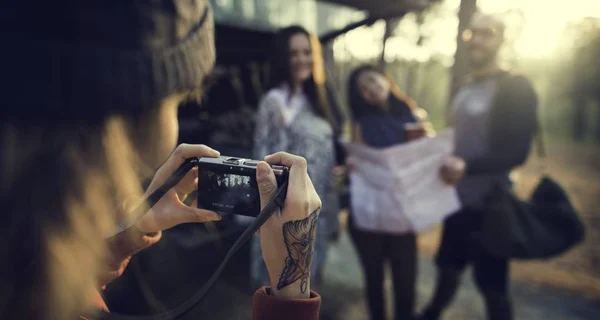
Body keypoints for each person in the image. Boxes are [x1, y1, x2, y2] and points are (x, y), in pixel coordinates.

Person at [0, 1, 323, 319]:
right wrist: (291, 287)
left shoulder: (21, 264)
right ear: (131, 122)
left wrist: (130, 229)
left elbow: (51, 282)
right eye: (177, 102)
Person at [419, 12, 538, 320]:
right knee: (447, 266)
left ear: (501, 39)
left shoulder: (516, 87)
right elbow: (458, 139)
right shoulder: (467, 85)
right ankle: (431, 314)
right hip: (456, 200)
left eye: (488, 33)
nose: (478, 40)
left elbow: (517, 152)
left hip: (490, 204)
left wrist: (467, 167)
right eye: (473, 33)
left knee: (492, 284)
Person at [345, 65, 465, 320]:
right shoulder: (361, 124)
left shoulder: (412, 115)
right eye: (363, 89)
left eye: (372, 80)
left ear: (386, 79)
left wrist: (433, 147)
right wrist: (352, 165)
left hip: (402, 215)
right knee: (374, 281)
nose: (370, 89)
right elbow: (355, 158)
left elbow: (427, 158)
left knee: (405, 282)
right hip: (370, 216)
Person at [251, 25, 338, 290]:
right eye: (293, 54)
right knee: (283, 284)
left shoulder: (319, 101)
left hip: (319, 203)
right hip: (286, 212)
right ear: (283, 58)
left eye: (307, 52)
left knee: (311, 284)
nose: (302, 59)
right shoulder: (273, 102)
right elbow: (261, 162)